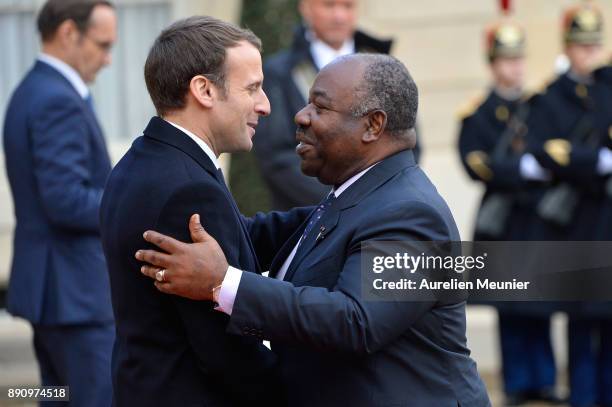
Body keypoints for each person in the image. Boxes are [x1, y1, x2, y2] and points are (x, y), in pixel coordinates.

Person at [137, 53, 491, 407]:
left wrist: (223, 283)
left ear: (373, 126)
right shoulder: (357, 194)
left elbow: (355, 321)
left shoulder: (410, 213)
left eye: (320, 108)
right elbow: (264, 234)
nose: (301, 116)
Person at [99, 16, 310, 406]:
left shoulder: (145, 159)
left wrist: (330, 213)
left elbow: (240, 237)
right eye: (253, 88)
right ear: (204, 90)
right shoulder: (186, 186)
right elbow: (227, 351)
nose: (264, 105)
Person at [2, 1, 116, 405]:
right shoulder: (57, 98)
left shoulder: (33, 89)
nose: (107, 59)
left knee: (57, 396)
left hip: (57, 293)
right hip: (76, 295)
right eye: (102, 45)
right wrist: (129, 203)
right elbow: (65, 200)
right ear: (69, 32)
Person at [457, 21, 562, 405]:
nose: (514, 67)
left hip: (536, 217)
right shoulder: (480, 112)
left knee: (541, 301)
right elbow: (474, 162)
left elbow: (555, 151)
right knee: (508, 304)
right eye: (506, 59)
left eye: (518, 59)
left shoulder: (539, 106)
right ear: (492, 63)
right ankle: (518, 382)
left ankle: (544, 379)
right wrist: (521, 170)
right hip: (502, 221)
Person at [253, 0, 421, 210]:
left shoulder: (383, 68)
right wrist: (340, 202)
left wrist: (370, 200)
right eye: (329, 5)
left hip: (377, 209)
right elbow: (276, 158)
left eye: (347, 6)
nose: (339, 16)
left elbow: (405, 139)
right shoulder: (280, 72)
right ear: (305, 7)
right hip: (302, 216)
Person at [527, 3, 612, 406]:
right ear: (568, 47)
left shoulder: (609, 88)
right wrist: (594, 161)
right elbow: (546, 151)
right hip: (575, 219)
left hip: (608, 218)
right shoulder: (551, 97)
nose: (589, 53)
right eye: (581, 46)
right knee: (579, 321)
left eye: (594, 44)